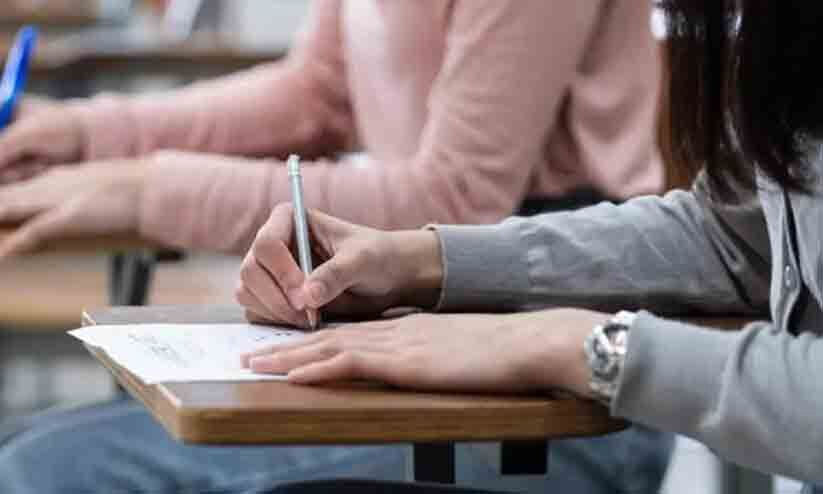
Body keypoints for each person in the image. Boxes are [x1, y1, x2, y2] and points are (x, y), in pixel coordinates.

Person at [0, 1, 672, 493]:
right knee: (23, 448)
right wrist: (88, 135)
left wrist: (148, 189)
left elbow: (459, 196)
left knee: (47, 471)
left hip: (557, 399)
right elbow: (315, 93)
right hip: (434, 347)